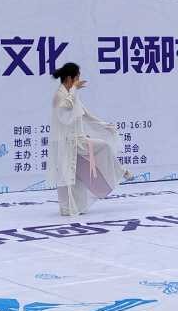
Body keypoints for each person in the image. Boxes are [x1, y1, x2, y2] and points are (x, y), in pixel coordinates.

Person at [47, 62, 131, 216]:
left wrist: (104, 125)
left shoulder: (72, 94)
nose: (79, 80)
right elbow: (66, 110)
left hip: (78, 141)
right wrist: (74, 89)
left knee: (78, 174)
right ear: (69, 78)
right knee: (69, 175)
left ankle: (75, 206)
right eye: (77, 77)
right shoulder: (59, 96)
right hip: (68, 143)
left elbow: (85, 114)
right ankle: (67, 207)